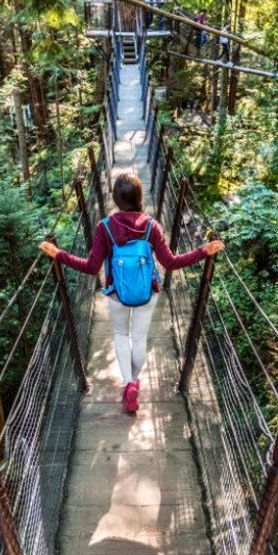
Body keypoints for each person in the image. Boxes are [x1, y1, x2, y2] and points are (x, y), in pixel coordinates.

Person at [39, 174, 224, 414]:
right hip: (147, 291)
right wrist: (204, 251)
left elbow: (91, 267)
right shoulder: (151, 226)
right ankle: (133, 383)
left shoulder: (104, 227)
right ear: (139, 197)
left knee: (120, 333)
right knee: (139, 339)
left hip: (117, 292)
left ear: (115, 199)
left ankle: (128, 383)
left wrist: (58, 254)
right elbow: (170, 262)